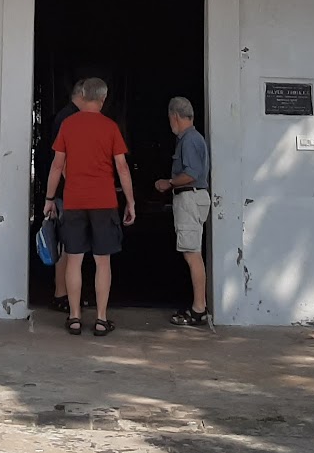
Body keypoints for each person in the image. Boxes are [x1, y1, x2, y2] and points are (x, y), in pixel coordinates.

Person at [43, 77, 135, 336]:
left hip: (73, 200)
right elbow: (123, 168)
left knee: (74, 259)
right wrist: (130, 201)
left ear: (83, 94)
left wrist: (49, 199)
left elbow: (57, 165)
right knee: (102, 262)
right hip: (104, 201)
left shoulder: (68, 125)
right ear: (104, 99)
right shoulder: (110, 127)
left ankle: (74, 317)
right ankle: (101, 319)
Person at [155, 96, 211, 327]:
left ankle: (199, 309)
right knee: (192, 251)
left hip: (189, 197)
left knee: (192, 254)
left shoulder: (188, 140)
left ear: (174, 116)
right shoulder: (194, 138)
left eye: (170, 118)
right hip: (194, 198)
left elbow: (191, 173)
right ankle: (199, 306)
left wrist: (168, 182)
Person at [45, 80, 86, 313]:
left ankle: (64, 294)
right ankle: (62, 294)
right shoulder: (68, 118)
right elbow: (63, 160)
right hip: (66, 192)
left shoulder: (65, 116)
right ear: (81, 94)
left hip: (63, 191)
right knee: (67, 245)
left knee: (68, 245)